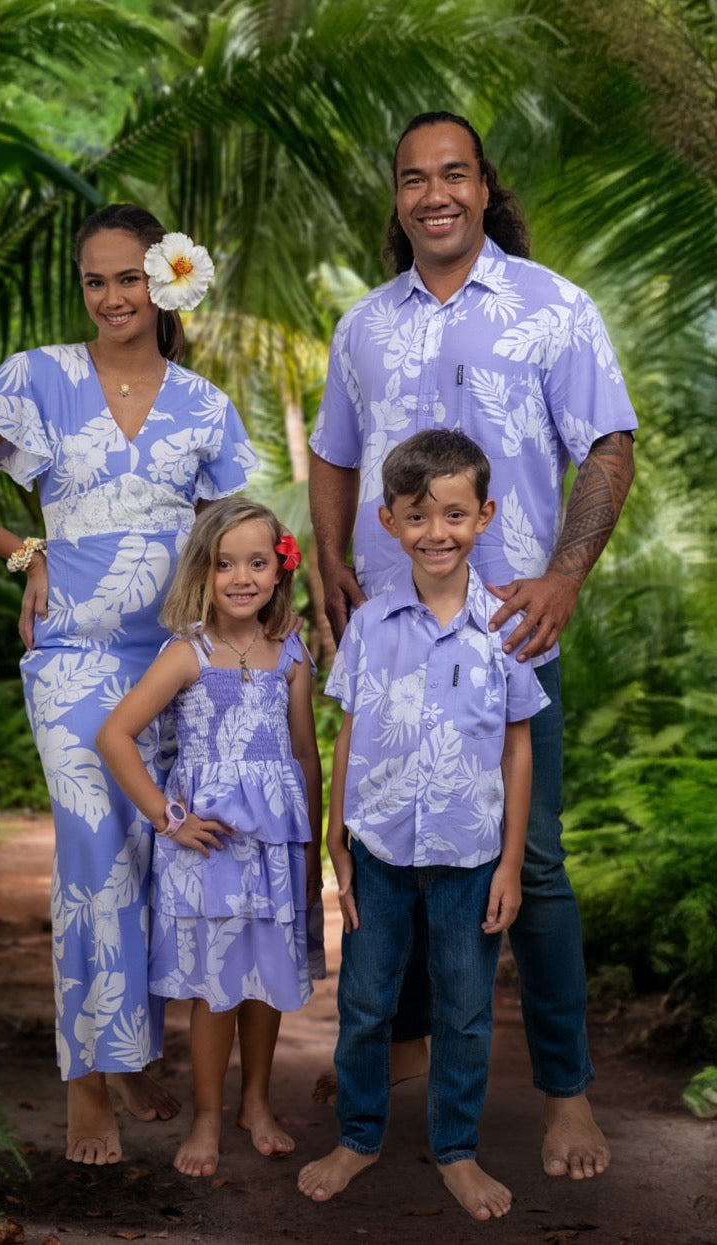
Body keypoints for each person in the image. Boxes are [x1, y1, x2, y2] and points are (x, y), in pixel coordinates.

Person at [308, 111, 637, 1180]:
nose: (433, 193)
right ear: (396, 196)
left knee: (528, 868)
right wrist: (326, 560)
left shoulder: (554, 309)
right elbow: (331, 456)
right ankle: (399, 1049)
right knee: (390, 852)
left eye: (453, 174)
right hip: (389, 641)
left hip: (504, 631)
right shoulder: (362, 325)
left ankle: (565, 1095)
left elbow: (608, 446)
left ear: (484, 186)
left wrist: (566, 574)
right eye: (413, 178)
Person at [0, 203, 259, 1166]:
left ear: (167, 281)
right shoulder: (39, 379)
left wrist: (261, 634)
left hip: (173, 663)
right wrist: (25, 552)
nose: (110, 298)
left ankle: (128, 1046)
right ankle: (86, 1084)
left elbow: (239, 538)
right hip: (73, 662)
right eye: (94, 281)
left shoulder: (205, 407)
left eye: (129, 279)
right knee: (94, 851)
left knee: (152, 848)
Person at [299, 430, 549, 1218]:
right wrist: (338, 838)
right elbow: (348, 728)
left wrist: (510, 864)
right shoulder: (370, 627)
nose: (435, 531)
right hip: (377, 853)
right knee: (367, 1003)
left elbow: (517, 750)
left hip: (471, 855)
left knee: (465, 1011)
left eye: (452, 514)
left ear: (484, 515)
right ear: (388, 520)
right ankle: (359, 1135)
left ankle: (455, 1149)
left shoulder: (504, 626)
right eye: (417, 516)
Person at [96, 499, 323, 1178]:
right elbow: (114, 735)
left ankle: (255, 1103)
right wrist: (169, 816)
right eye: (225, 563)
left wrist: (308, 851)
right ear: (204, 569)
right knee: (214, 984)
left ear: (278, 570)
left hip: (274, 849)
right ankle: (204, 1116)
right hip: (210, 849)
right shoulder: (186, 653)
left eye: (257, 562)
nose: (241, 576)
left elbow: (304, 755)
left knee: (265, 980)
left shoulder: (292, 653)